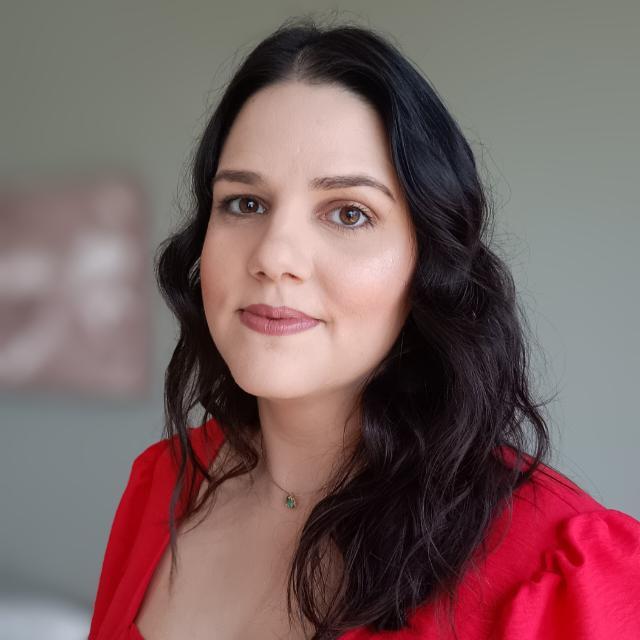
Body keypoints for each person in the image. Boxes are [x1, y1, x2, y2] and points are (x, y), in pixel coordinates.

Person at [88, 17, 640, 640]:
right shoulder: (161, 483)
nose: (274, 255)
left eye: (349, 213)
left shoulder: (557, 571)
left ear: (428, 261)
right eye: (245, 203)